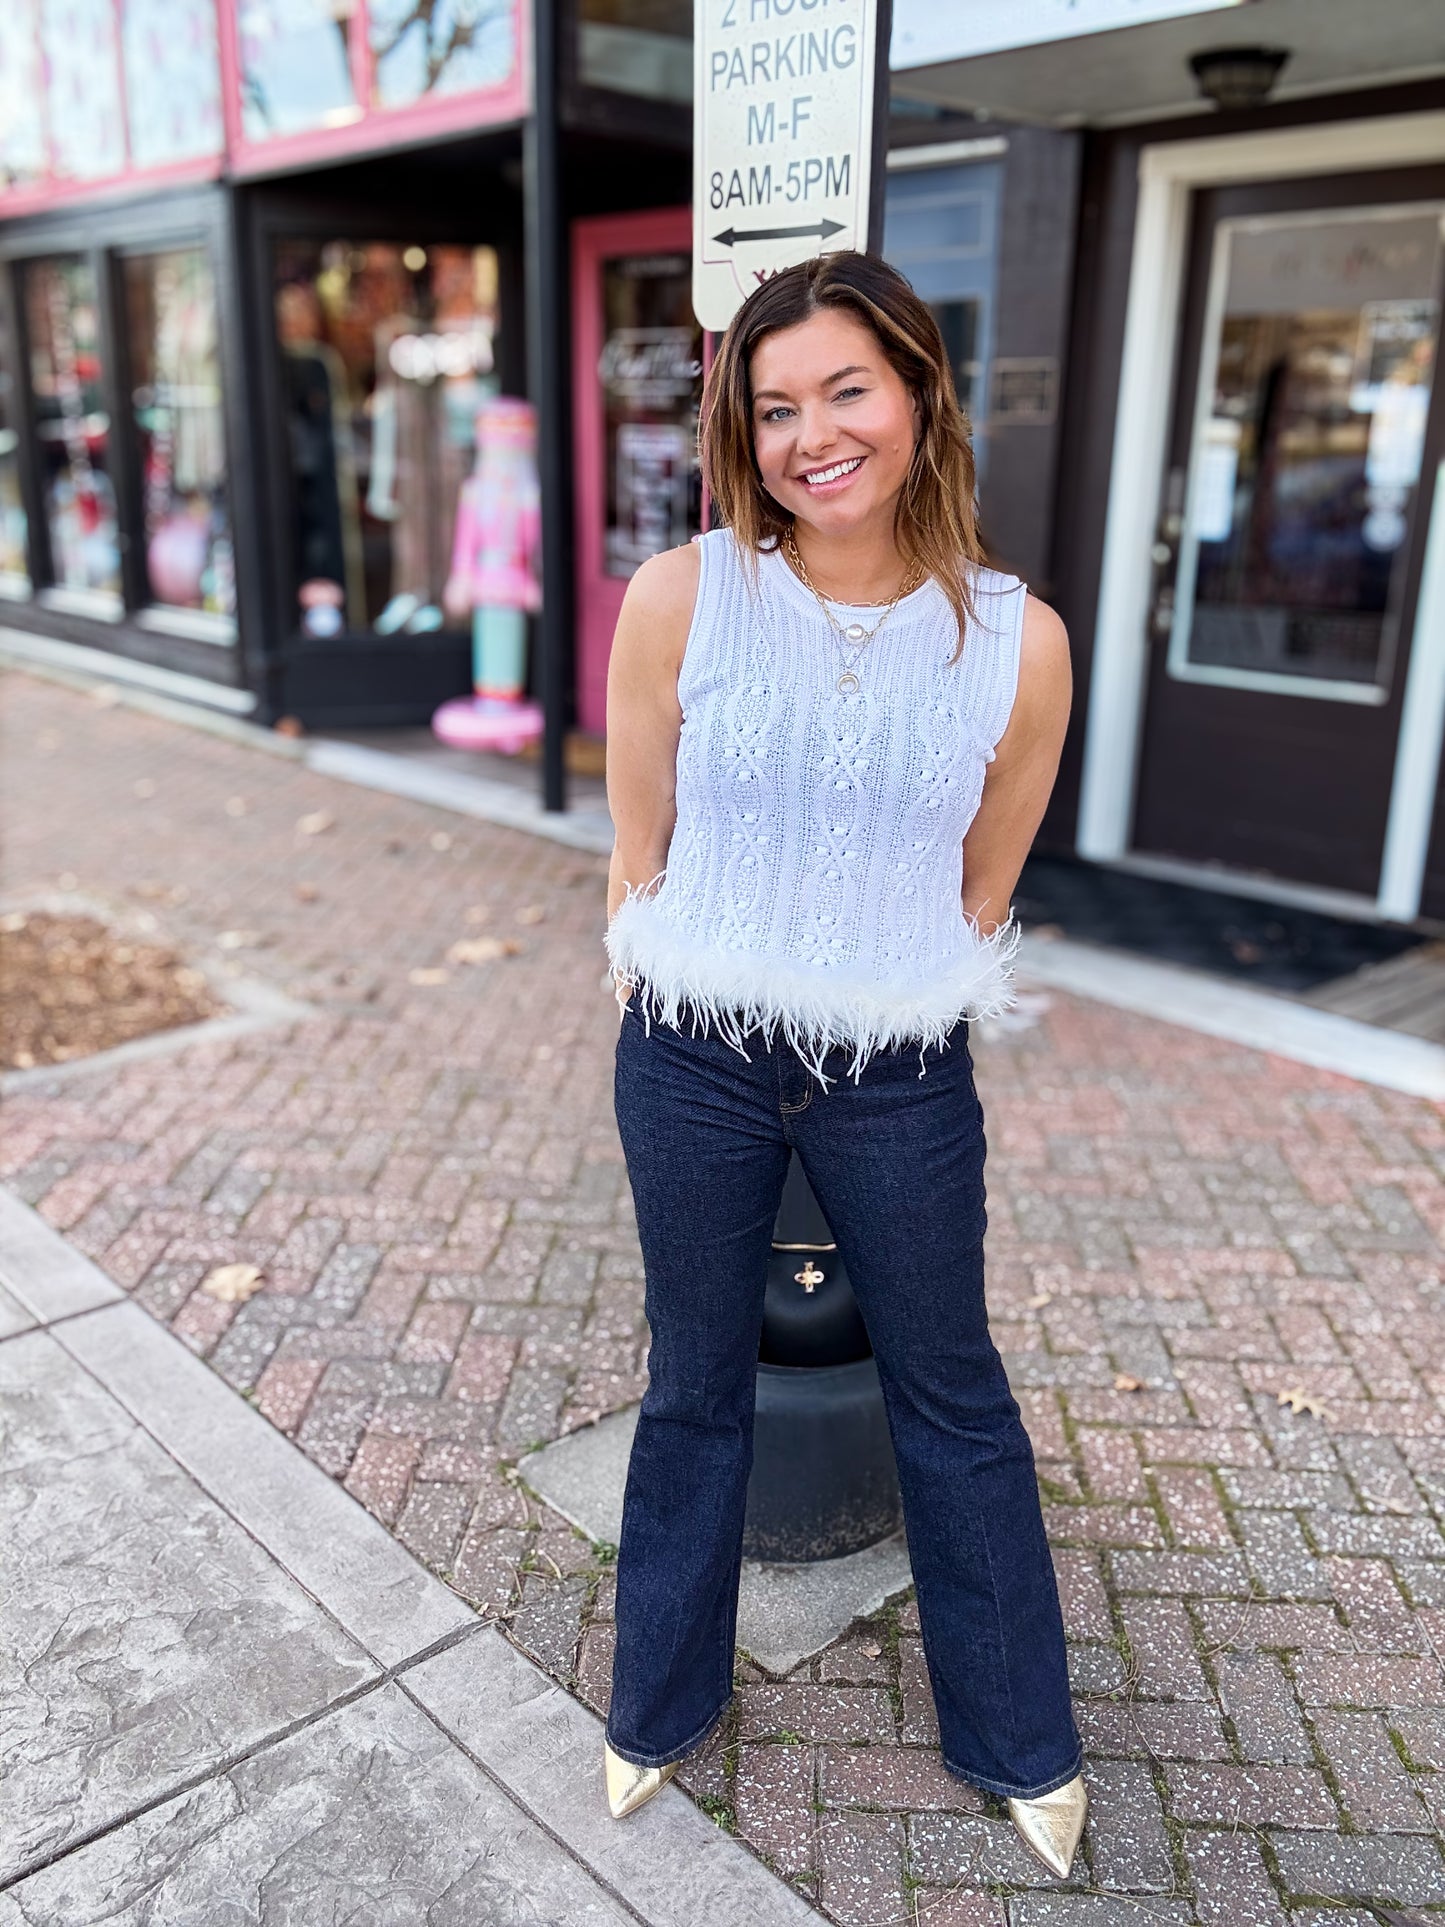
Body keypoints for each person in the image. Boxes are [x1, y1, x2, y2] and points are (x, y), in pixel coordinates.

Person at [600, 252, 1086, 1878]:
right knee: (691, 1386)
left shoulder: (1019, 643)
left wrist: (870, 982)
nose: (813, 434)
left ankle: (1018, 1738)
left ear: (916, 391)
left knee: (953, 1392)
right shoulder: (683, 596)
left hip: (897, 1066)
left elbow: (984, 883)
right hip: (692, 1053)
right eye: (774, 404)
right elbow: (636, 852)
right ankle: (654, 1709)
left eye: (844, 390)